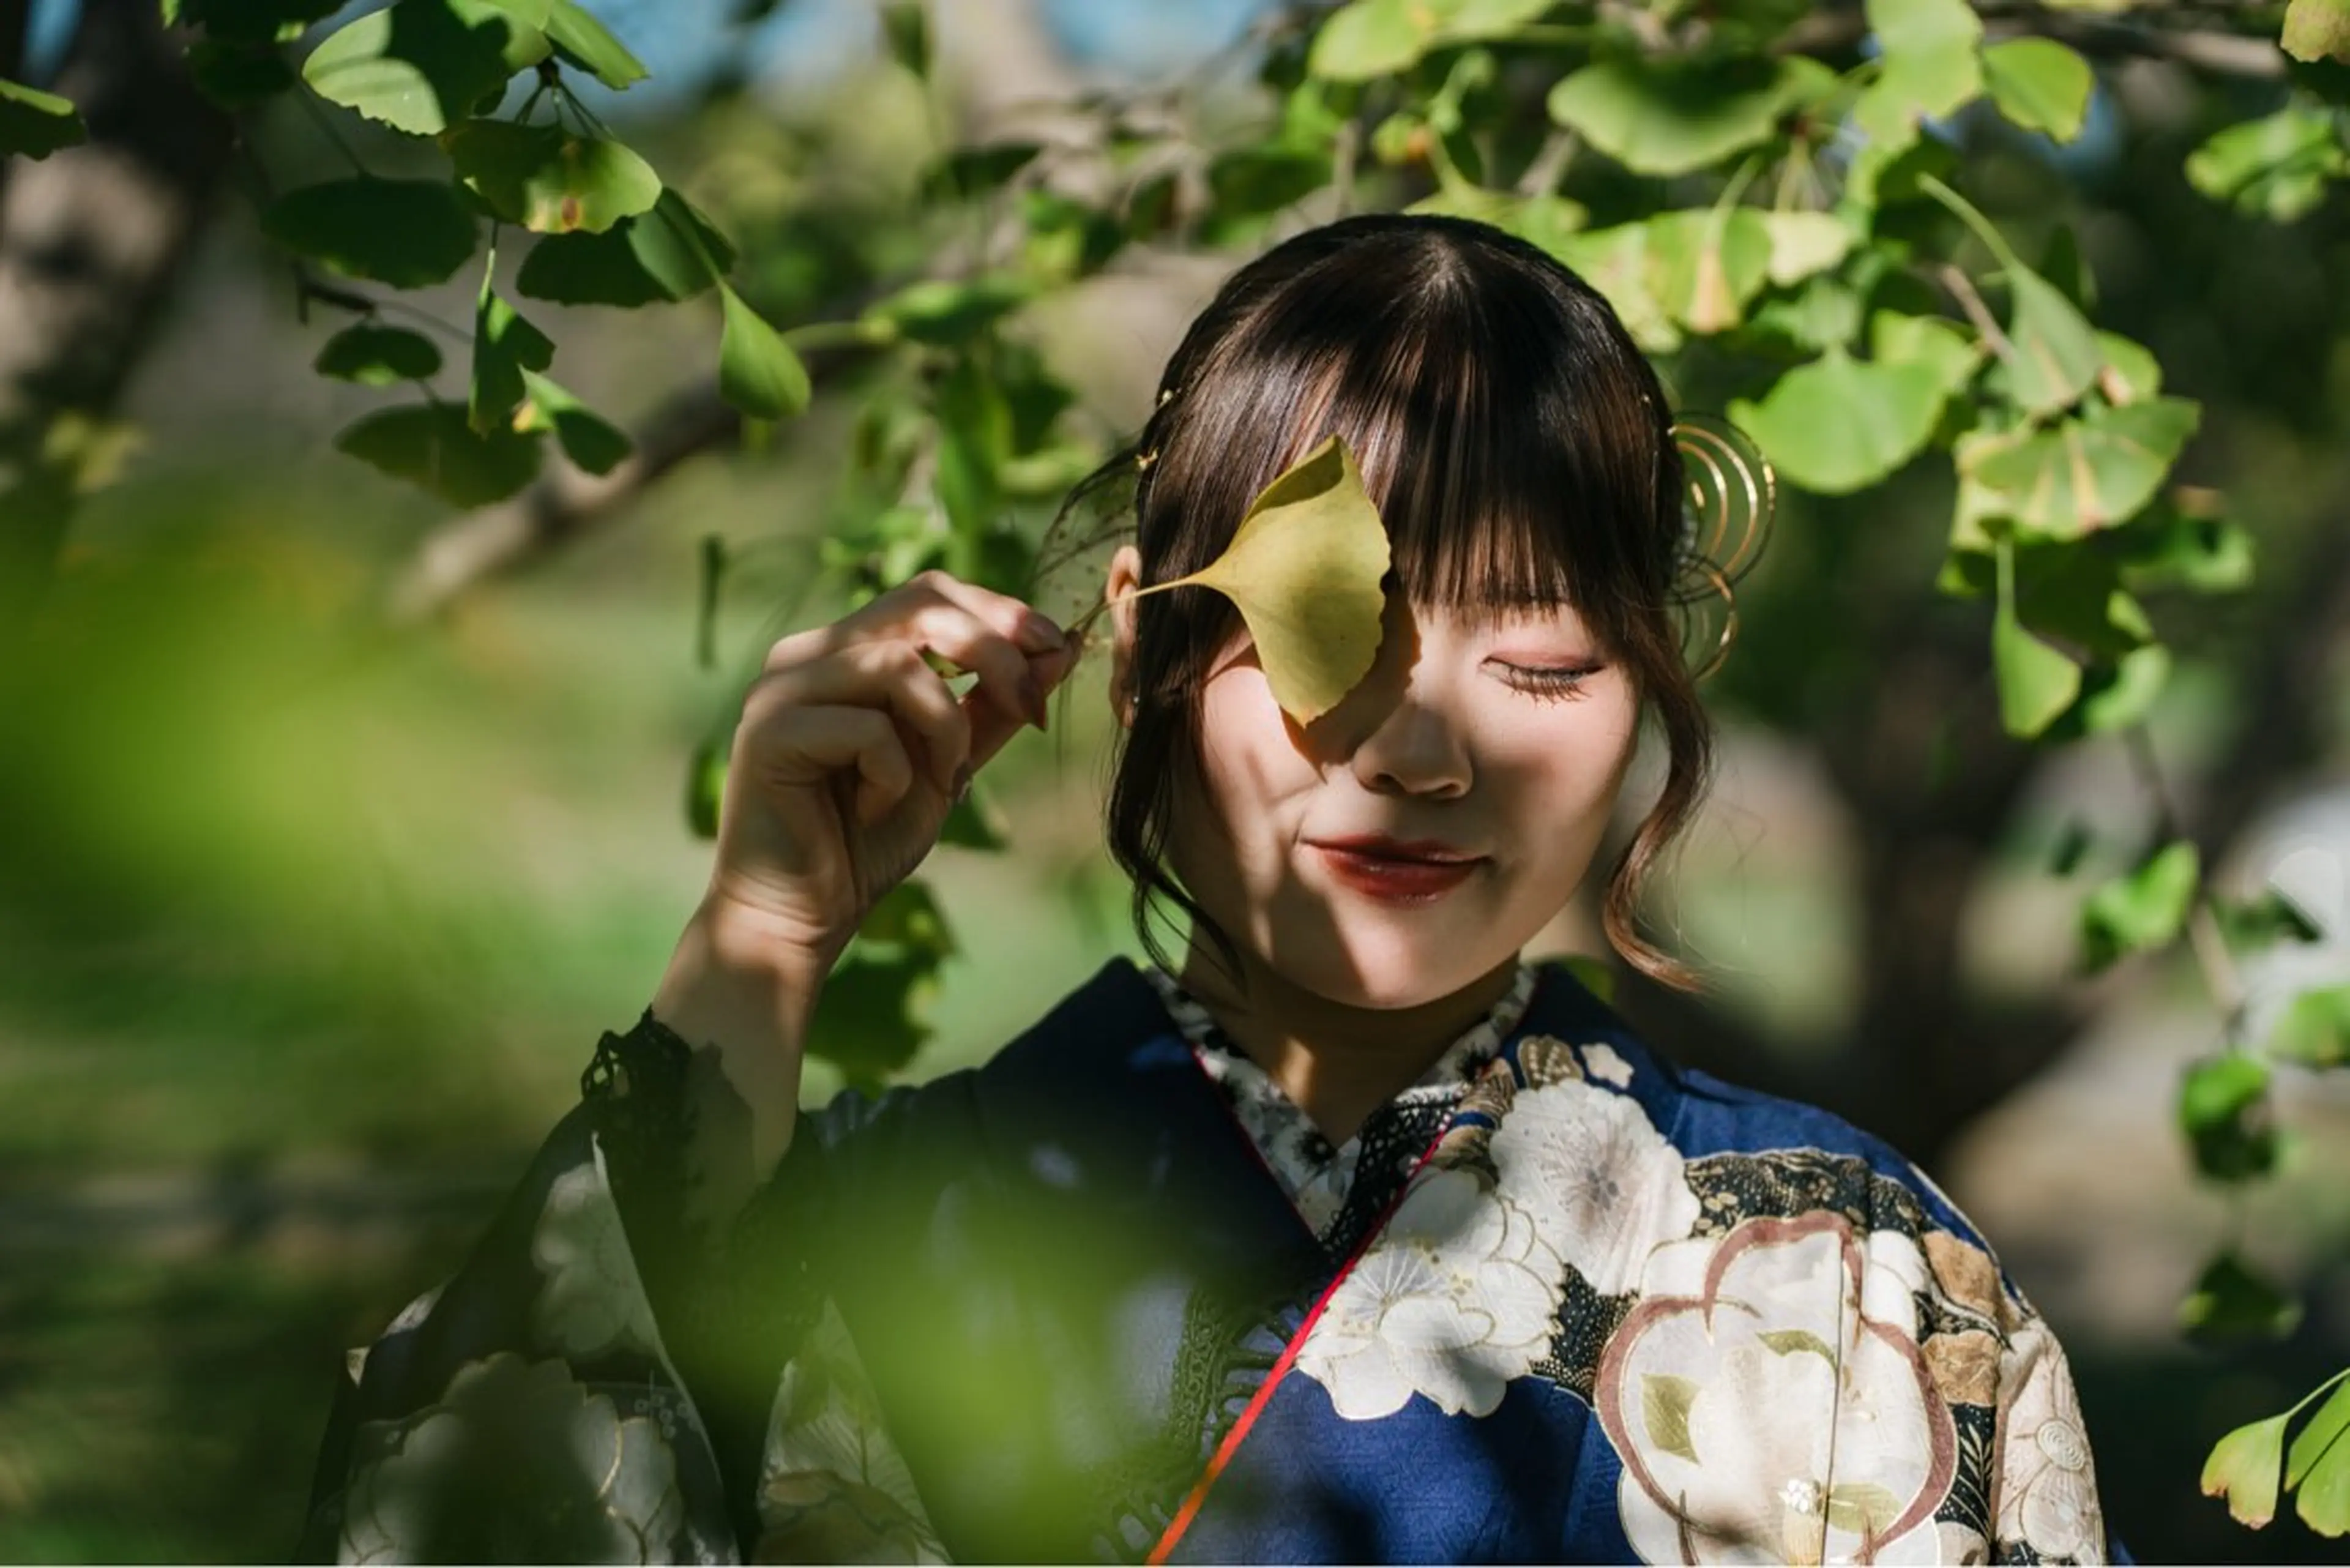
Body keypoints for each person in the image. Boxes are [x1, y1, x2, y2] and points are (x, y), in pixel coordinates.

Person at [300, 214, 2119, 1566]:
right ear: (1143, 643)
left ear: (1653, 688)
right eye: (1329, 635)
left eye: (1545, 660)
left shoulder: (1851, 1272)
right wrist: (759, 948)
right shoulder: (858, 1229)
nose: (1420, 751)